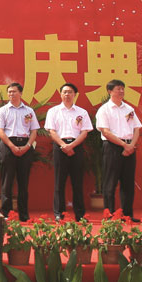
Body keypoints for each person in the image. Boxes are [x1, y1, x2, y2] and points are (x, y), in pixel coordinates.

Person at [0, 82, 39, 222]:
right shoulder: (3, 110)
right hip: (8, 144)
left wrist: (27, 146)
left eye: (14, 91)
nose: (11, 94)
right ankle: (7, 213)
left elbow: (34, 131)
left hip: (25, 144)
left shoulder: (29, 111)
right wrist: (12, 146)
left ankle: (24, 215)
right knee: (7, 181)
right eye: (9, 92)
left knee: (23, 182)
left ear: (21, 93)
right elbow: (0, 131)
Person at [44, 83, 92, 220]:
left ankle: (80, 214)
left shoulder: (82, 112)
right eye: (64, 92)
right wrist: (64, 145)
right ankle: (59, 214)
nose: (67, 94)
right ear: (60, 94)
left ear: (75, 94)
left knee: (77, 182)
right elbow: (51, 131)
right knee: (59, 182)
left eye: (70, 92)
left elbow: (84, 132)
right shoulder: (53, 111)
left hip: (77, 146)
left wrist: (72, 146)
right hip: (60, 147)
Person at [96, 79, 142, 219]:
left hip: (130, 148)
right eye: (118, 89)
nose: (121, 91)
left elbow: (137, 128)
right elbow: (105, 131)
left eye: (123, 88)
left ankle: (127, 215)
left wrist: (131, 145)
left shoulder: (129, 109)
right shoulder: (104, 109)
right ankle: (110, 215)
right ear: (110, 91)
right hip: (112, 147)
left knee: (128, 183)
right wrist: (124, 145)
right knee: (110, 183)